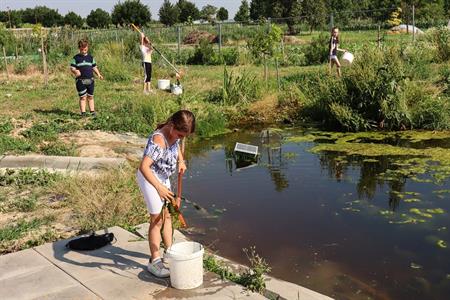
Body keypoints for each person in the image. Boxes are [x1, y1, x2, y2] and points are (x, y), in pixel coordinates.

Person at [136, 110, 196, 278]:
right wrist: (159, 188)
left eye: (184, 137)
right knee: (156, 219)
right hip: (149, 178)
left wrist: (181, 160)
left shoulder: (174, 136)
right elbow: (144, 167)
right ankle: (154, 262)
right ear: (172, 126)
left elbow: (176, 147)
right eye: (180, 134)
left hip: (162, 178)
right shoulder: (158, 140)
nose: (180, 138)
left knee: (168, 215)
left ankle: (169, 251)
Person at [70, 39, 103, 117]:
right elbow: (72, 68)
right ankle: (83, 113)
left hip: (90, 80)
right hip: (81, 81)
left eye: (85, 49)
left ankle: (92, 111)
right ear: (79, 48)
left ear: (87, 48)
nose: (83, 50)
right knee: (83, 97)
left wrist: (98, 74)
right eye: (81, 49)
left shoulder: (91, 58)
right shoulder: (76, 58)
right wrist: (75, 71)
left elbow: (94, 67)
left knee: (90, 96)